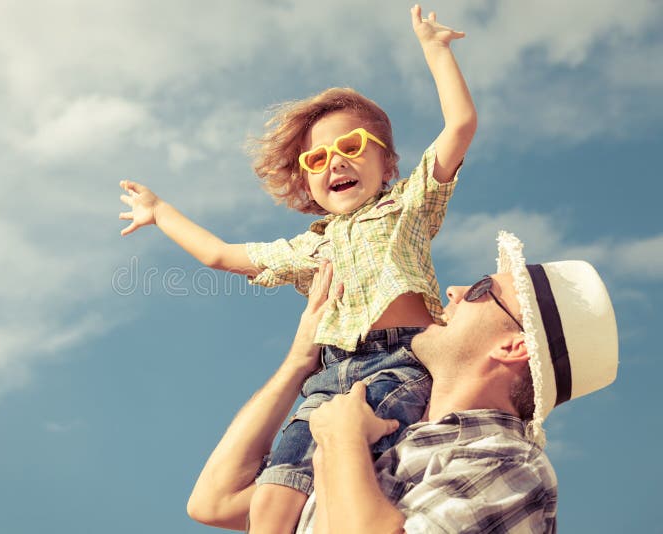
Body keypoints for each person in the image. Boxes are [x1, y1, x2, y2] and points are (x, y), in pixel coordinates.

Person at [120, 6, 475, 532]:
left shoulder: (407, 206)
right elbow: (219, 254)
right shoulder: (310, 248)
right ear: (308, 182)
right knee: (270, 504)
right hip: (326, 379)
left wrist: (435, 49)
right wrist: (160, 212)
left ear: (388, 165)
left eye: (351, 147)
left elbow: (460, 125)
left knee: (349, 475)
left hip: (400, 364)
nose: (335, 162)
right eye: (318, 160)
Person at [187, 231, 619, 533]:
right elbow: (214, 501)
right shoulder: (388, 424)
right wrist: (300, 361)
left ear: (512, 347)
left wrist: (342, 442)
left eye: (482, 289)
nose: (453, 289)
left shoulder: (509, 464)